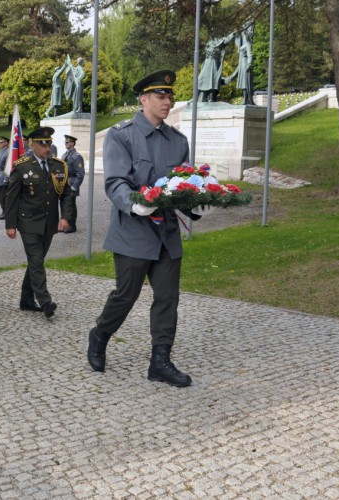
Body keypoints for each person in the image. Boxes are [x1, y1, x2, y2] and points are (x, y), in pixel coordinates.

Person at [87, 70, 209, 388]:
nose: (167, 102)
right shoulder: (121, 135)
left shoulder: (177, 141)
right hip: (133, 232)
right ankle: (100, 334)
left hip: (166, 234)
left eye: (170, 96)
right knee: (125, 295)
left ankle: (160, 362)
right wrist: (136, 202)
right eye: (161, 96)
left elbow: (182, 183)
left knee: (168, 297)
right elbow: (115, 182)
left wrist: (193, 203)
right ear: (144, 99)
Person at [5, 127, 74, 318]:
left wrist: (65, 216)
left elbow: (67, 194)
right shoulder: (22, 166)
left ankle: (26, 300)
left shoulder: (58, 166)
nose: (47, 147)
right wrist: (10, 224)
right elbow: (12, 198)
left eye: (49, 143)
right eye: (42, 144)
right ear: (32, 145)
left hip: (49, 223)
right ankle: (45, 302)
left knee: (36, 262)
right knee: (36, 262)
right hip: (28, 223)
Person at [198, 32, 235, 102]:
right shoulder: (208, 42)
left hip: (214, 63)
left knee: (213, 80)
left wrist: (234, 33)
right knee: (200, 79)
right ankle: (198, 97)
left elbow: (227, 39)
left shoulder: (219, 41)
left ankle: (211, 96)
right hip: (206, 63)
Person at [61, 135, 85, 233]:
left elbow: (80, 174)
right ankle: (65, 224)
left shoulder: (77, 157)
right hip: (64, 184)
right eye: (65, 142)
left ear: (72, 143)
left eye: (67, 142)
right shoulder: (64, 155)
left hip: (71, 184)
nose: (65, 143)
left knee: (71, 205)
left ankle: (72, 225)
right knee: (63, 204)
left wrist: (75, 187)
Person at [0, 136, 10, 219]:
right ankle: (3, 211)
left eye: (2, 142)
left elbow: (8, 166)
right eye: (0, 142)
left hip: (5, 175)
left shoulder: (8, 152)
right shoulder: (1, 151)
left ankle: (6, 212)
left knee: (5, 195)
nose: (0, 143)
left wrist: (7, 178)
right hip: (0, 176)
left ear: (6, 143)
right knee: (1, 195)